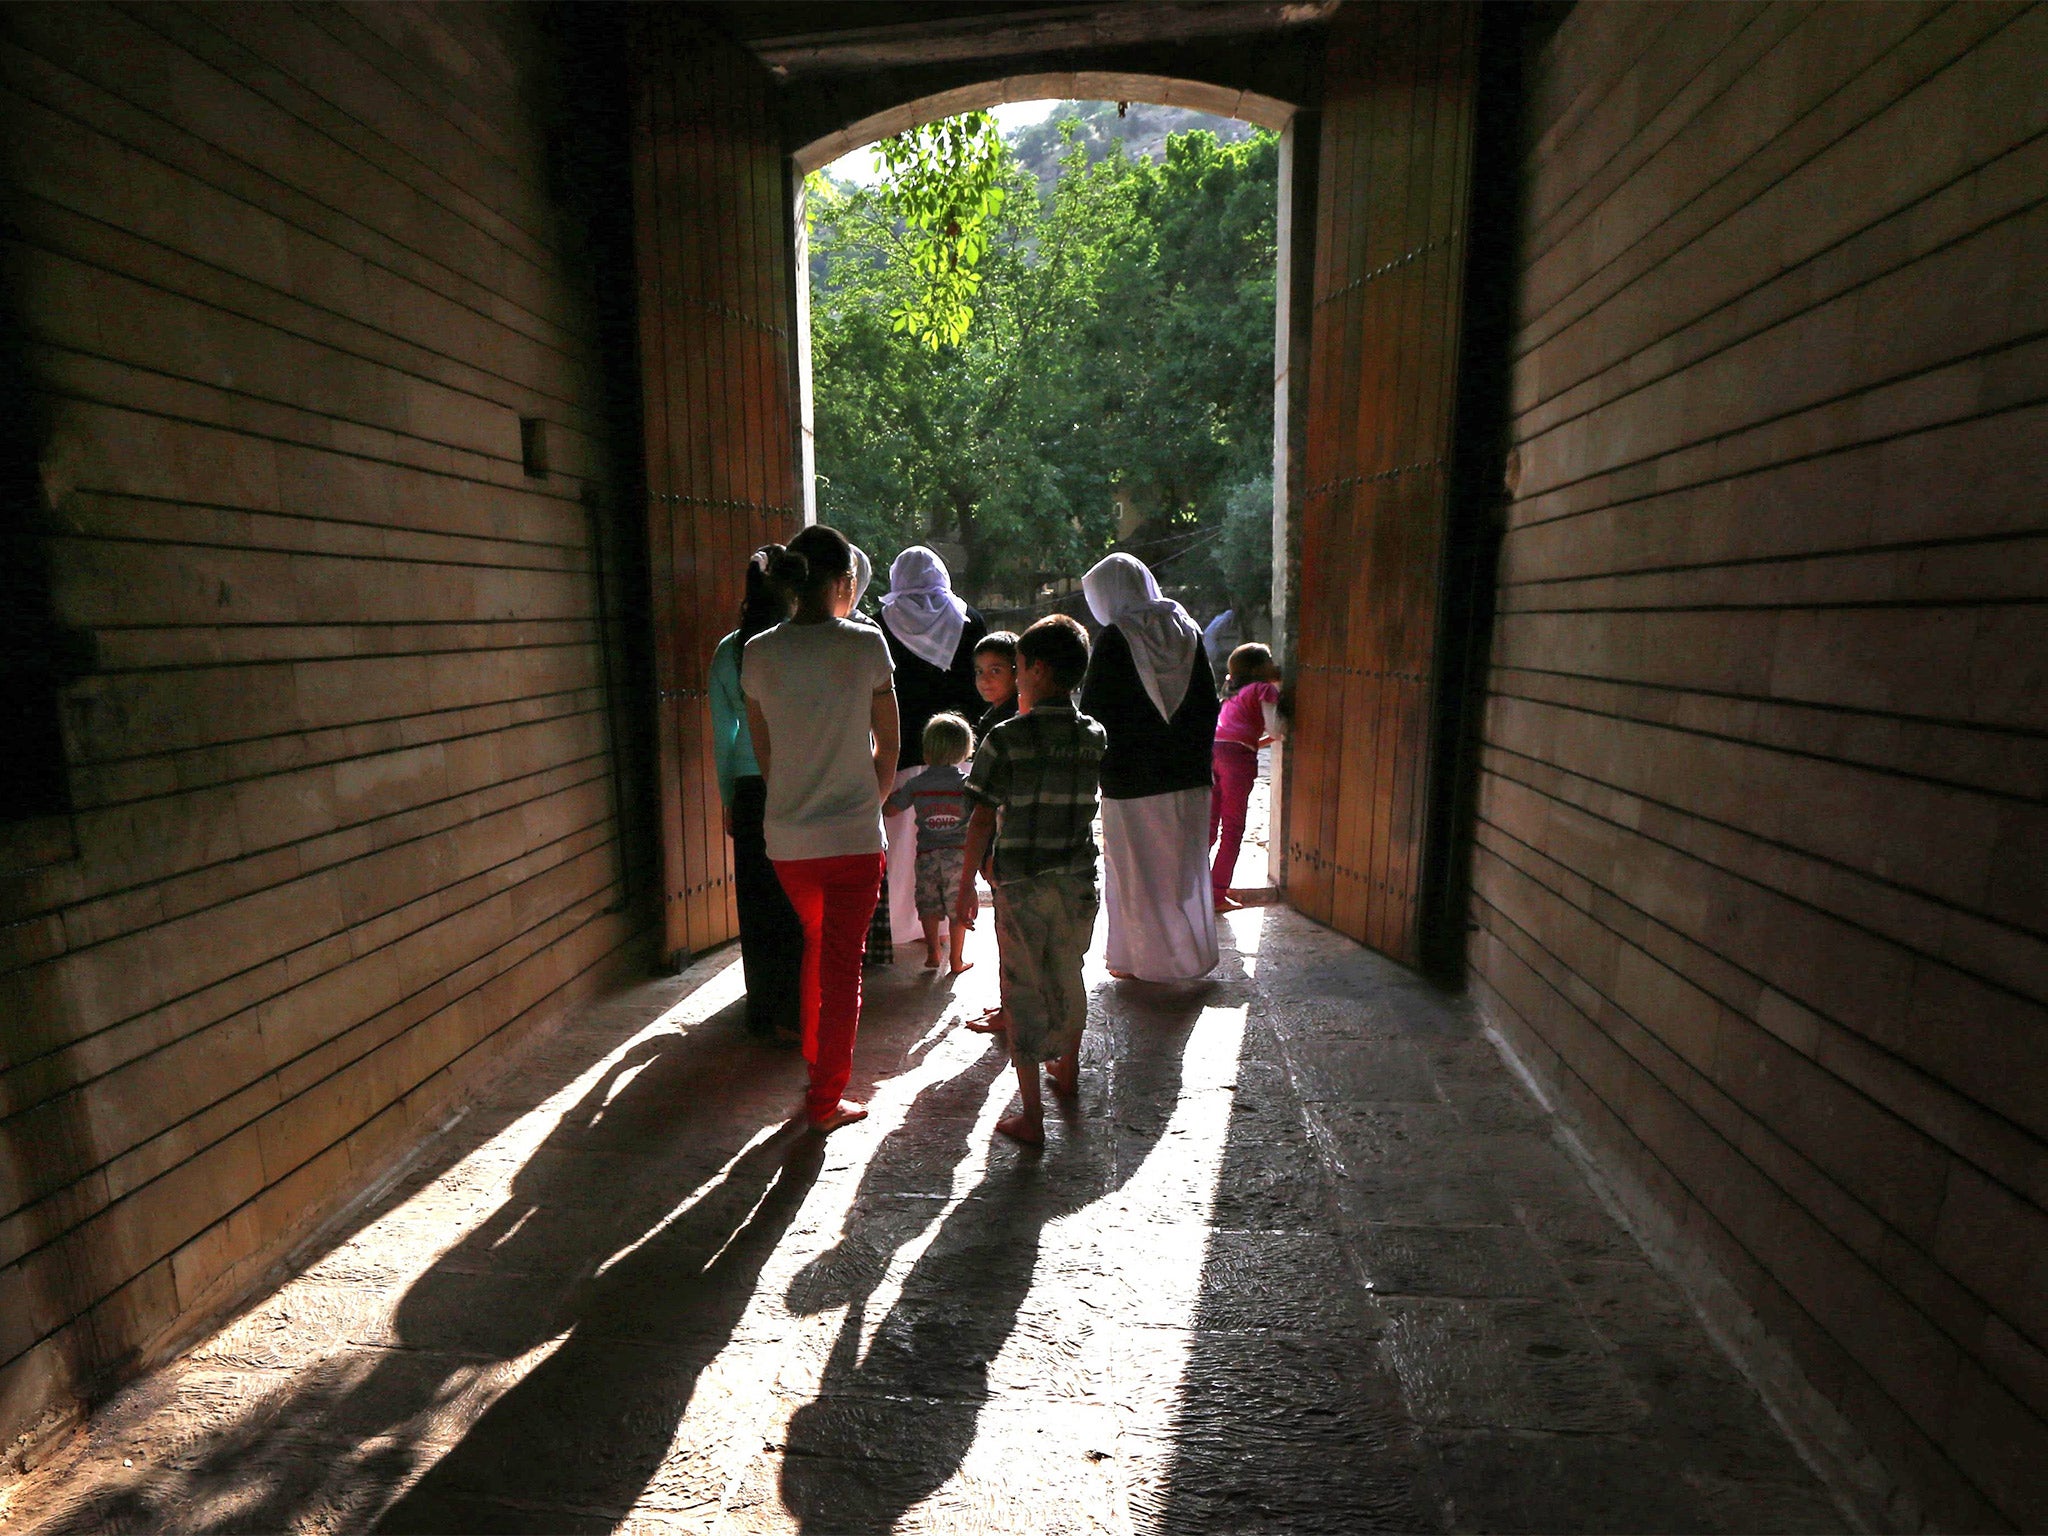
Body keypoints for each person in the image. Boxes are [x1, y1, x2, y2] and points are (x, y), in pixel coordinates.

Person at [743, 525, 898, 1131]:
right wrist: (871, 802)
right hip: (854, 840)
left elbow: (765, 755)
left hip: (788, 841)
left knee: (818, 943)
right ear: (844, 582)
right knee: (842, 965)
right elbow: (889, 743)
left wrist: (794, 803)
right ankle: (825, 1098)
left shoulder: (758, 653)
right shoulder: (865, 646)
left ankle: (817, 1065)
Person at [955, 615, 1106, 1146]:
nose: (1014, 678)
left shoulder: (1004, 738)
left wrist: (965, 885)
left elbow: (979, 817)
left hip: (1019, 882)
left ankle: (1033, 1117)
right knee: (1067, 973)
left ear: (1036, 670)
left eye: (1016, 668)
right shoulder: (1093, 736)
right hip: (1077, 879)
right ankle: (1066, 1070)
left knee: (1022, 989)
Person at [1079, 553, 1221, 982]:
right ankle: (1187, 956)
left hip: (1131, 778)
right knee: (1183, 871)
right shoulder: (1188, 630)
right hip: (1188, 772)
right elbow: (1207, 703)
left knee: (1137, 873)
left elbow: (1096, 711)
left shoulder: (1116, 639)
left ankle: (1140, 960)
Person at [709, 545, 805, 1038]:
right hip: (798, 783)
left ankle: (764, 1009)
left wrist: (729, 797)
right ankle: (800, 1008)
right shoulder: (796, 645)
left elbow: (724, 735)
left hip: (750, 789)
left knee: (756, 898)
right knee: (797, 898)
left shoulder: (729, 651)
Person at [878, 547, 988, 949]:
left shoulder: (882, 624)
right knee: (955, 843)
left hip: (903, 753)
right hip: (959, 753)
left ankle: (907, 926)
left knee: (906, 846)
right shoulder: (969, 620)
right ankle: (951, 926)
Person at [884, 712, 976, 974]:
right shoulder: (966, 785)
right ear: (964, 751)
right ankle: (956, 960)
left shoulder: (917, 784)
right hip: (958, 856)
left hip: (926, 854)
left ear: (927, 750)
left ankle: (933, 951)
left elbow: (892, 809)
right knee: (958, 908)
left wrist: (884, 796)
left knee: (928, 904)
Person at [1210, 641, 1285, 912]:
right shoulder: (1263, 690)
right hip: (1237, 761)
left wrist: (1257, 741)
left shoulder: (1232, 694)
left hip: (1214, 752)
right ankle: (1216, 894)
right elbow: (1276, 728)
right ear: (1259, 668)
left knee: (1209, 828)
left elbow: (1239, 734)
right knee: (1232, 829)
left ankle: (1191, 891)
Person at [973, 631, 1019, 735]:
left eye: (995, 671)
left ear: (1017, 671)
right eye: (979, 672)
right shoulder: (991, 715)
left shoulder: (1013, 721)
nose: (984, 680)